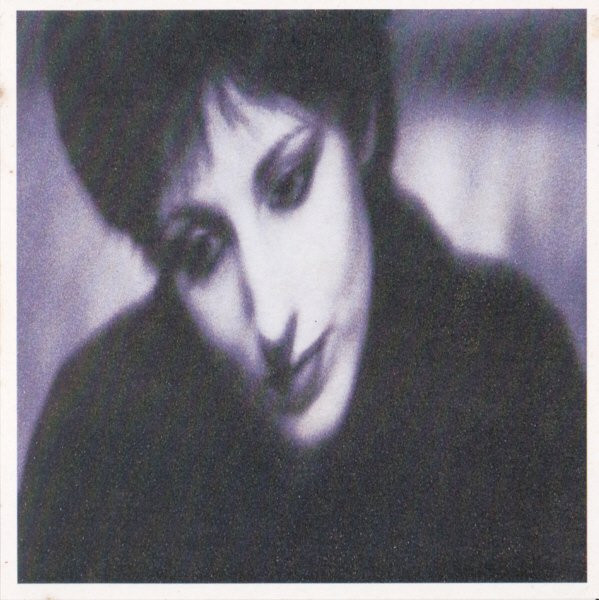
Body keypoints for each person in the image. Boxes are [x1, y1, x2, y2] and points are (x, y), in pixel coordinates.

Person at [19, 11, 585, 582]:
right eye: (201, 252)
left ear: (359, 123)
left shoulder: (514, 369)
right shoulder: (92, 452)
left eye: (289, 186)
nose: (272, 322)